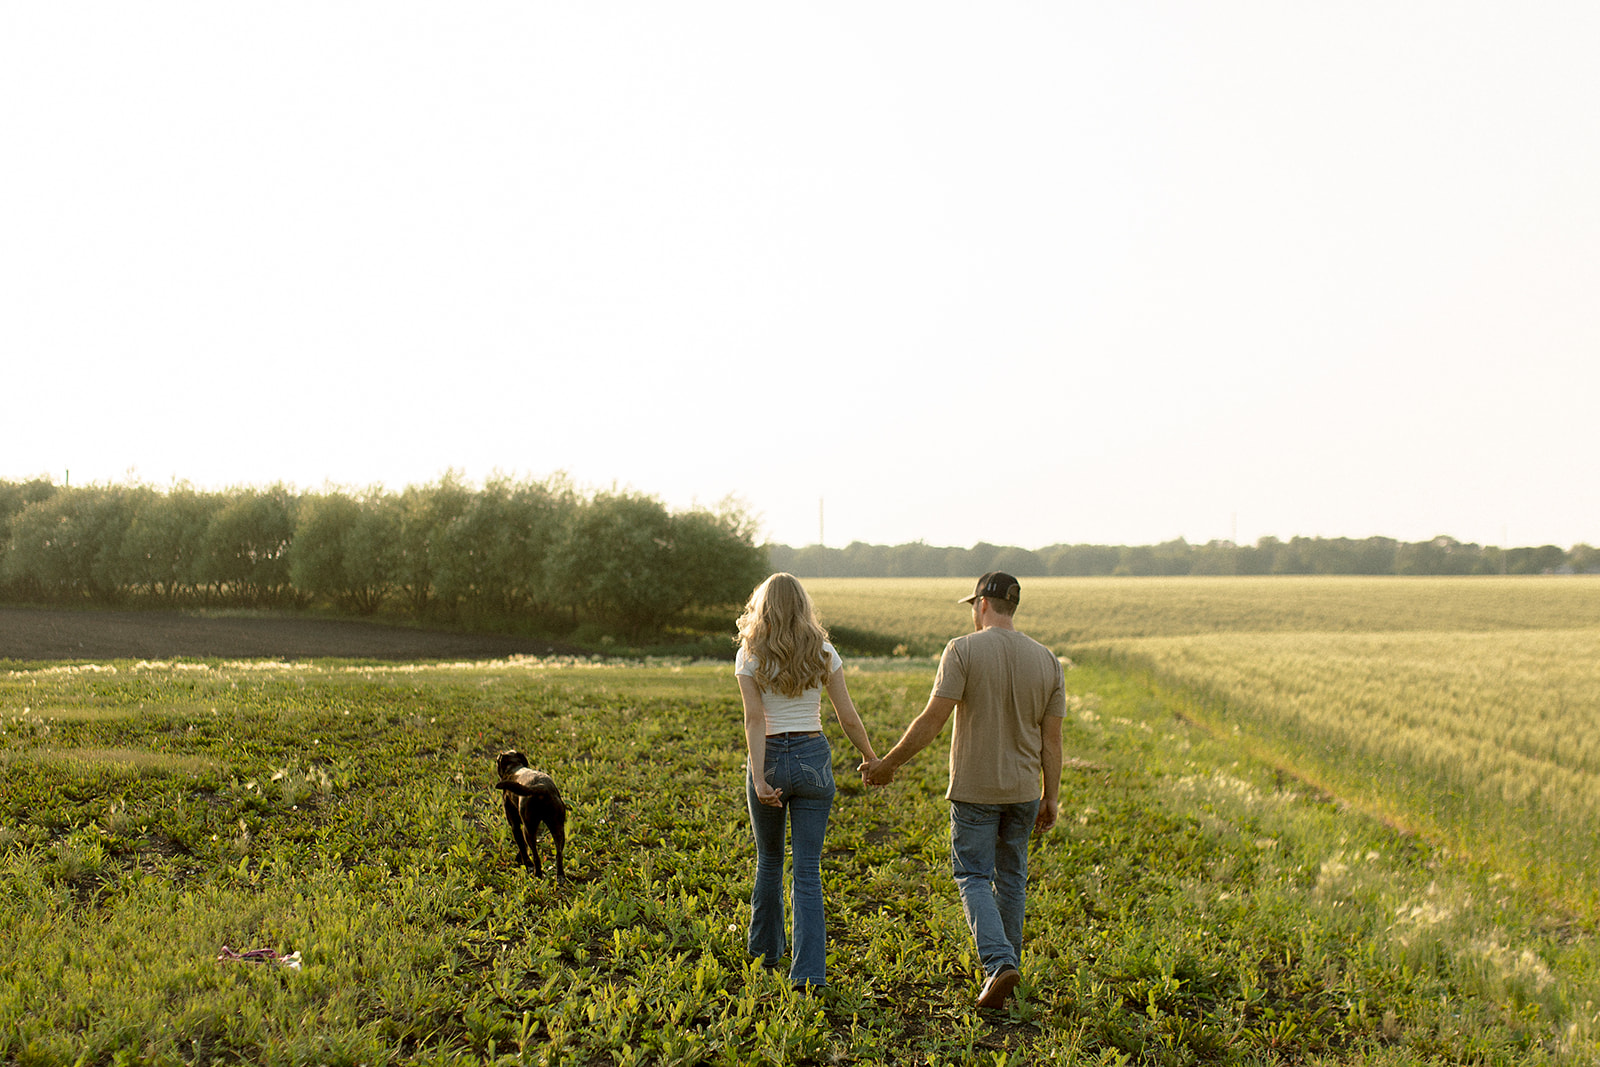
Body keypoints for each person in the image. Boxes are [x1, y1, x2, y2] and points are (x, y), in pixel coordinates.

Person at [862, 571, 1065, 1010]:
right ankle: (1008, 973)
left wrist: (887, 765)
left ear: (983, 605)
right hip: (1025, 790)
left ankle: (998, 964)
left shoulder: (962, 650)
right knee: (1012, 877)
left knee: (973, 875)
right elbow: (1052, 741)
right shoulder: (1048, 660)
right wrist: (1051, 796)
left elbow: (932, 721)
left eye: (973, 604)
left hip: (975, 789)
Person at [735, 572, 879, 990]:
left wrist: (761, 777)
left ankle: (764, 956)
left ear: (762, 606)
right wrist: (870, 757)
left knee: (769, 860)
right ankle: (810, 974)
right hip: (814, 756)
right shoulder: (824, 651)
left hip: (771, 758)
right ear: (802, 605)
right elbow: (847, 715)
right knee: (809, 872)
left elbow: (755, 719)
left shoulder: (750, 653)